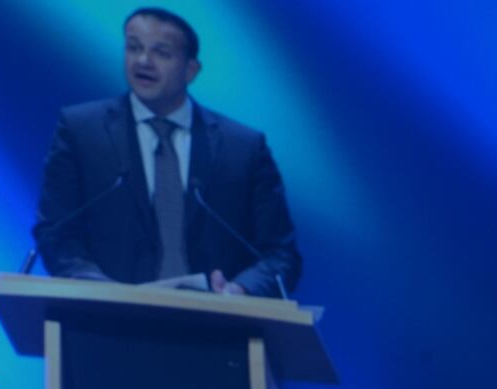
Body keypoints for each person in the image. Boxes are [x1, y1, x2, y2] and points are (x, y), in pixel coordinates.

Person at [34, 7, 301, 297]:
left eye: (162, 52)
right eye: (134, 47)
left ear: (191, 70)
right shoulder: (80, 131)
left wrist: (239, 290)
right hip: (106, 326)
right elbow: (55, 234)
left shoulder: (243, 147)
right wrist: (99, 288)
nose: (143, 61)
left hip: (215, 329)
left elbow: (279, 254)